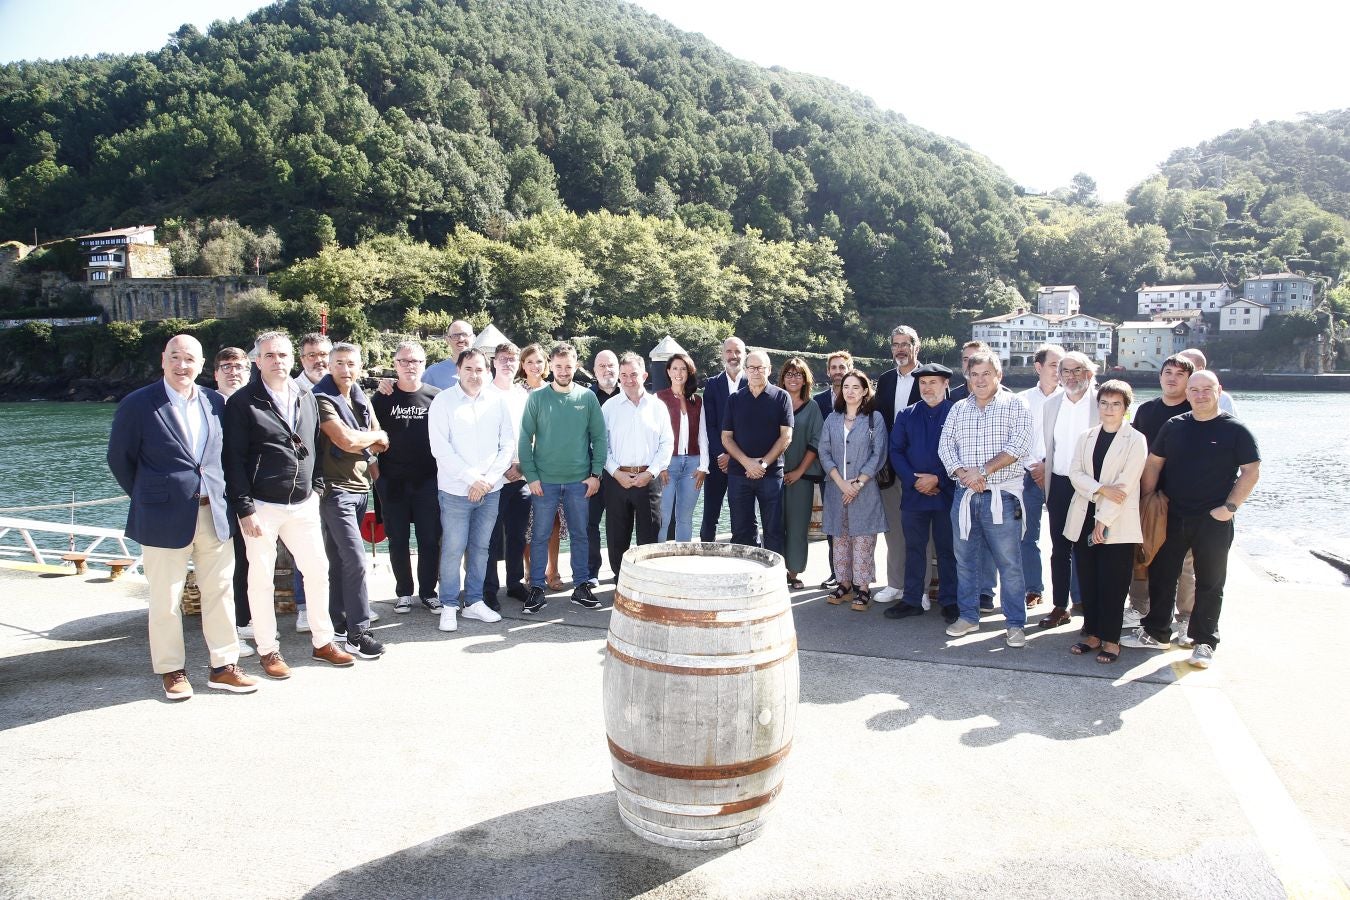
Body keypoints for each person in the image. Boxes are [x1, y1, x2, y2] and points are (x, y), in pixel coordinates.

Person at [107, 335, 258, 700]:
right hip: (161, 516)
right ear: (163, 360)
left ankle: (223, 666)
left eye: (189, 358)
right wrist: (152, 496)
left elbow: (225, 457)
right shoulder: (139, 404)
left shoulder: (214, 402)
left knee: (220, 593)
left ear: (202, 363)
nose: (182, 365)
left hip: (214, 512)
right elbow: (119, 459)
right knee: (165, 598)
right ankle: (172, 670)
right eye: (175, 357)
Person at [223, 331, 354, 678]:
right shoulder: (242, 402)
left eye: (282, 355)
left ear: (291, 359)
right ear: (257, 361)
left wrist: (318, 487)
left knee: (317, 571)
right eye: (269, 356)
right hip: (261, 505)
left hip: (303, 502)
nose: (277, 362)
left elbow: (314, 445)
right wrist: (244, 508)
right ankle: (268, 650)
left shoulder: (305, 396)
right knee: (260, 579)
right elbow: (232, 460)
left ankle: (323, 641)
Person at [1124, 371, 1260, 668]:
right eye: (1194, 389)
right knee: (1162, 574)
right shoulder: (1175, 426)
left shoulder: (1235, 429)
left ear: (1218, 391)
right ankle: (1157, 631)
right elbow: (1154, 463)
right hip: (1172, 513)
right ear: (1187, 393)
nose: (1200, 395)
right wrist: (1150, 499)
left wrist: (1229, 508)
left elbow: (1251, 471)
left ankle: (1205, 642)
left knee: (1210, 581)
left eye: (1206, 389)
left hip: (1213, 519)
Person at [938, 351, 1034, 647]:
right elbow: (945, 448)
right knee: (965, 561)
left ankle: (1015, 624)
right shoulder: (957, 409)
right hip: (964, 496)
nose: (979, 380)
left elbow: (1018, 445)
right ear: (967, 377)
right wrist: (963, 474)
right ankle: (968, 616)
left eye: (985, 374)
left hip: (1002, 496)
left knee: (1009, 563)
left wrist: (982, 471)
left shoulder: (1016, 404)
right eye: (973, 374)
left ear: (998, 376)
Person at [313, 342, 389, 660]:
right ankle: (358, 633)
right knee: (355, 560)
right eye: (340, 363)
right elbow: (344, 439)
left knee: (340, 562)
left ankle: (338, 623)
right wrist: (366, 438)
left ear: (360, 367)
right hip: (334, 490)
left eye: (352, 364)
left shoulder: (359, 396)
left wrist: (364, 438)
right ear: (330, 366)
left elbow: (383, 440)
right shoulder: (320, 399)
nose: (346, 370)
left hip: (359, 488)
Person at [1062, 380, 1148, 665]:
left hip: (1116, 522)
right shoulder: (1086, 436)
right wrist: (1099, 489)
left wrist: (1103, 520)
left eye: (1116, 404)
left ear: (1125, 408)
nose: (1109, 409)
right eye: (1104, 403)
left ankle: (1111, 640)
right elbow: (1075, 473)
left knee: (1114, 582)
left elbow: (1124, 485)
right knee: (1089, 579)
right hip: (1084, 515)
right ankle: (1093, 633)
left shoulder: (1135, 439)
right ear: (1097, 406)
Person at [519, 343, 608, 614]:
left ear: (575, 365)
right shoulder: (537, 398)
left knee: (581, 535)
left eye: (568, 366)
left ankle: (581, 586)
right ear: (551, 366)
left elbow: (599, 438)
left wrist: (596, 475)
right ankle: (536, 587)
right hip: (544, 481)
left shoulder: (587, 398)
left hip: (579, 481)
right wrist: (531, 476)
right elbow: (524, 439)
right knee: (539, 535)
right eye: (558, 366)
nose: (563, 371)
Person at [428, 348, 511, 632]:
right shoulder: (443, 402)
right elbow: (441, 448)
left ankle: (474, 601)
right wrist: (472, 478)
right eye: (469, 369)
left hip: (491, 489)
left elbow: (507, 445)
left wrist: (487, 480)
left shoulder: (498, 402)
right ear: (458, 371)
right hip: (455, 491)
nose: (474, 375)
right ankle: (449, 604)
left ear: (488, 372)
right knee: (452, 549)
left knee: (481, 548)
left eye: (480, 370)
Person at [1124, 354, 1197, 636]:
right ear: (1160, 377)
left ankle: (1186, 616)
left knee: (1186, 562)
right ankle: (1140, 607)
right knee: (1142, 553)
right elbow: (1133, 449)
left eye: (1180, 374)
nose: (1172, 378)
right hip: (1147, 494)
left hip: (1182, 497)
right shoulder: (1146, 410)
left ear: (1189, 380)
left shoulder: (1195, 411)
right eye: (1168, 372)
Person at [371, 341, 443, 616]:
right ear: (395, 364)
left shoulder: (437, 397)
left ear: (424, 364)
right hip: (393, 482)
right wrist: (377, 477)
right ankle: (403, 593)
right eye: (403, 361)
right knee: (398, 540)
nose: (409, 366)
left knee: (429, 539)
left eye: (415, 361)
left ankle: (428, 592)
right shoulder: (382, 397)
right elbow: (367, 438)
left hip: (428, 481)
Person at [886, 363, 958, 623]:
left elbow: (960, 452)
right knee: (913, 548)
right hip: (914, 493)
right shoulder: (906, 415)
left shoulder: (957, 413)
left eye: (933, 382)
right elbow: (896, 451)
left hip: (946, 491)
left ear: (945, 384)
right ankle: (912, 599)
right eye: (923, 383)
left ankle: (951, 601)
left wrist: (937, 478)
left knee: (947, 549)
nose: (927, 388)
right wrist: (913, 480)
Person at [817, 370, 888, 610]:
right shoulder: (832, 419)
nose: (850, 391)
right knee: (840, 538)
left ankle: (863, 587)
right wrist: (841, 482)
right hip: (836, 488)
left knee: (864, 539)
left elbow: (878, 454)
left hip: (865, 489)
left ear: (865, 390)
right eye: (846, 386)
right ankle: (844, 584)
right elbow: (823, 452)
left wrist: (857, 484)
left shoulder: (874, 419)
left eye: (856, 387)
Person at [1036, 351, 1097, 629]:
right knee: (1060, 549)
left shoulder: (1101, 402)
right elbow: (1046, 446)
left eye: (1077, 370)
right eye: (1065, 371)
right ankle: (1060, 607)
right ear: (1058, 376)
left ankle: (1090, 608)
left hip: (1091, 487)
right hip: (1059, 484)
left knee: (1090, 549)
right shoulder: (1051, 405)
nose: (1071, 377)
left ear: (1089, 373)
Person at [601, 353, 673, 578]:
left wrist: (650, 473)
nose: (629, 380)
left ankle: (646, 580)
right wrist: (615, 472)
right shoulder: (609, 408)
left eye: (634, 374)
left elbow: (666, 443)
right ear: (619, 378)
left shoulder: (657, 407)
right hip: (617, 480)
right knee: (616, 536)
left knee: (649, 536)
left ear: (644, 375)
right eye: (624, 375)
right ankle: (620, 581)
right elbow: (601, 445)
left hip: (648, 480)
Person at [722, 350, 794, 555]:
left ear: (769, 370)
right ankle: (745, 577)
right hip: (739, 474)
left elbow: (786, 436)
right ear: (745, 370)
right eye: (751, 367)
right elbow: (726, 437)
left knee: (773, 530)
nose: (755, 371)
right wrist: (747, 463)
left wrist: (761, 465)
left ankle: (773, 579)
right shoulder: (734, 399)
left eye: (760, 367)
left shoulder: (781, 397)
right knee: (741, 530)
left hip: (770, 474)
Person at [872, 326, 924, 605]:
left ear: (917, 347)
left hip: (920, 468)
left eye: (906, 344)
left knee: (920, 532)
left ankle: (922, 589)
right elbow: (879, 423)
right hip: (890, 468)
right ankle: (895, 584)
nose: (900, 349)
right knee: (893, 529)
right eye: (895, 344)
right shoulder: (885, 379)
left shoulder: (930, 378)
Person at [213, 346, 257, 660]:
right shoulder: (207, 404)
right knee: (220, 569)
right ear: (215, 373)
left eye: (239, 366)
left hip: (250, 496)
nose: (233, 371)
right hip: (214, 499)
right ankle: (229, 632)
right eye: (226, 366)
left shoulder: (256, 404)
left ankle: (244, 621)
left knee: (246, 562)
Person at [483, 342, 532, 609]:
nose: (508, 363)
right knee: (490, 537)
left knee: (517, 535)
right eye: (503, 359)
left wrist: (521, 467)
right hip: (494, 479)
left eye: (513, 359)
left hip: (521, 476)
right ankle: (489, 588)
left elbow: (532, 436)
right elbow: (482, 439)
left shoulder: (523, 396)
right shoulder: (484, 394)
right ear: (494, 362)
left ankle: (514, 584)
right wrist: (501, 469)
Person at [1015, 344, 1064, 611]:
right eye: (1054, 365)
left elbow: (1072, 440)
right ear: (1038, 367)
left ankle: (1073, 595)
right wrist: (1035, 467)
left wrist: (1048, 466)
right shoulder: (1021, 400)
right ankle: (1033, 589)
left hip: (1061, 475)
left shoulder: (1072, 399)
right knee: (1027, 536)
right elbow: (1015, 440)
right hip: (1027, 475)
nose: (1059, 371)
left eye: (1062, 365)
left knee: (1066, 537)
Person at [516, 343, 564, 591]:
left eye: (539, 361)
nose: (535, 366)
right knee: (528, 522)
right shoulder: (514, 393)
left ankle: (552, 569)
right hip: (523, 465)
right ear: (522, 365)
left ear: (546, 365)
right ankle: (528, 568)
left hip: (551, 465)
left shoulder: (554, 391)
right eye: (530, 361)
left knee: (553, 521)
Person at [778, 357, 823, 590]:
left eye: (798, 374)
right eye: (789, 374)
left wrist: (798, 472)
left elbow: (816, 442)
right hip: (772, 475)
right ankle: (775, 571)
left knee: (797, 527)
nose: (793, 378)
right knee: (774, 525)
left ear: (805, 379)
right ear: (782, 378)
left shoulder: (812, 407)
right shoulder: (774, 402)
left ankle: (793, 572)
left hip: (801, 477)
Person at [655, 351, 708, 543]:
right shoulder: (658, 398)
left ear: (689, 372)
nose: (679, 373)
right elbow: (654, 437)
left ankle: (683, 560)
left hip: (693, 465)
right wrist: (660, 466)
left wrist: (704, 467)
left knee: (685, 518)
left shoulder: (697, 401)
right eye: (675, 368)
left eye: (683, 369)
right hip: (667, 465)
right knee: (663, 517)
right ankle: (657, 562)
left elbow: (703, 435)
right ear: (668, 372)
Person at [699, 336, 747, 542]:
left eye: (737, 352)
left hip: (745, 460)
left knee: (742, 514)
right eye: (729, 351)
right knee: (711, 513)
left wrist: (735, 456)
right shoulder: (712, 384)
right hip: (718, 460)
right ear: (722, 355)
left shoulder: (753, 383)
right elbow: (709, 424)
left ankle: (740, 557)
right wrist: (722, 453)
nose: (733, 356)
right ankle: (704, 554)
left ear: (744, 355)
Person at [813, 350, 852, 588]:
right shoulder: (818, 401)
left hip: (856, 472)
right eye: (834, 368)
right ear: (828, 372)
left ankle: (859, 575)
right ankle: (836, 573)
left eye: (842, 367)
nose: (838, 372)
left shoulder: (860, 398)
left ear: (849, 369)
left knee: (857, 524)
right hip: (828, 472)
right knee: (833, 524)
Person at [587, 349, 621, 585]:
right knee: (589, 523)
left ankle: (620, 571)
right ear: (594, 371)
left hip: (619, 471)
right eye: (602, 366)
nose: (607, 370)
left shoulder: (630, 394)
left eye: (611, 366)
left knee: (618, 523)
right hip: (590, 472)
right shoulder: (585, 397)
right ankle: (590, 572)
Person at [1178, 348, 1237, 415]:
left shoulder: (1223, 399)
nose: (1180, 373)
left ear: (1200, 369)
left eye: (1186, 368)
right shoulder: (1171, 397)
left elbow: (1230, 423)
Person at [422, 320, 475, 389]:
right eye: (455, 336)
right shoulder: (432, 373)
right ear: (447, 340)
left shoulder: (486, 372)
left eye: (465, 334)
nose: (461, 339)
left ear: (473, 338)